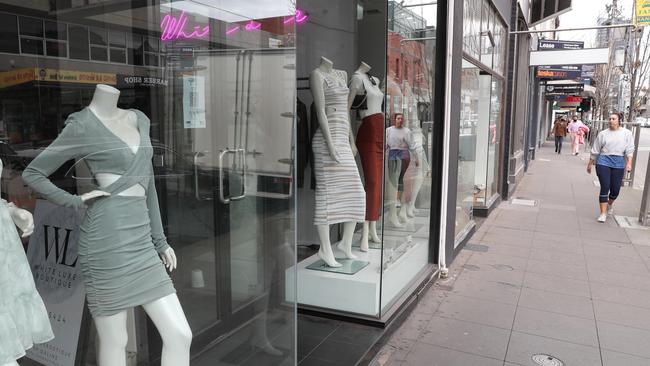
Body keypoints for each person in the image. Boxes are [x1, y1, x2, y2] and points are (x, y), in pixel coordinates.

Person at [587, 112, 635, 223]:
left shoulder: (626, 133)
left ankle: (609, 204)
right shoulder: (603, 133)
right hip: (603, 161)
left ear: (619, 120)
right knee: (605, 187)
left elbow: (630, 149)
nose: (610, 120)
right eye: (609, 119)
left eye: (613, 119)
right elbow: (595, 149)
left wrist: (629, 163)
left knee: (615, 190)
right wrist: (590, 164)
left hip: (619, 162)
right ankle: (603, 213)